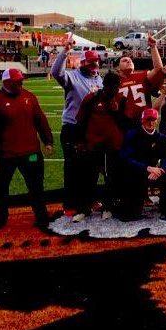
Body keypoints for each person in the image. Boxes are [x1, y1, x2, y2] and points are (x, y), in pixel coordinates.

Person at [0, 69, 54, 230]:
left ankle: (42, 216)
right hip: (5, 155)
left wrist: (48, 140)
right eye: (17, 81)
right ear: (6, 82)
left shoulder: (29, 96)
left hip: (31, 153)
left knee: (36, 186)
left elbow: (40, 119)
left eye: (21, 80)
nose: (21, 83)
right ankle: (0, 218)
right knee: (0, 188)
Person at [51, 39, 104, 216]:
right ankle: (70, 203)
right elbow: (56, 72)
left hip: (93, 130)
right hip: (73, 128)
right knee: (73, 168)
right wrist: (65, 51)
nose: (94, 64)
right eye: (90, 62)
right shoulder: (72, 76)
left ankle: (90, 200)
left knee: (92, 167)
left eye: (96, 61)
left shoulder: (100, 80)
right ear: (82, 63)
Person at [73, 71, 125, 222]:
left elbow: (126, 124)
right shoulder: (92, 98)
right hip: (93, 145)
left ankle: (108, 207)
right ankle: (84, 209)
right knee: (89, 177)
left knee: (111, 178)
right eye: (110, 86)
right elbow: (81, 120)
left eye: (116, 87)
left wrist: (117, 112)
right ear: (104, 85)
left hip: (113, 145)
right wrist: (80, 142)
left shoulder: (121, 100)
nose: (113, 90)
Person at [115, 109, 166, 222]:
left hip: (153, 172)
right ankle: (130, 206)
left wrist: (161, 170)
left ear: (157, 121)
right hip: (136, 172)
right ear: (142, 120)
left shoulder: (161, 138)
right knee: (129, 216)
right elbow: (126, 158)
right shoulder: (132, 135)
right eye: (148, 120)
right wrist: (147, 168)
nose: (150, 123)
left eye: (153, 120)